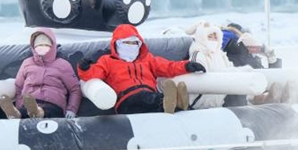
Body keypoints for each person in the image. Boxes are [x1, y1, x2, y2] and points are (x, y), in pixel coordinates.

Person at [77, 24, 206, 115]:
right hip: (126, 99)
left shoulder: (147, 59)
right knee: (149, 99)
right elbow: (92, 74)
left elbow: (167, 66)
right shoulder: (108, 61)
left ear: (140, 44)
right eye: (126, 43)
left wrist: (187, 66)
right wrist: (84, 68)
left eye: (134, 43)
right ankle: (172, 102)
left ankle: (176, 104)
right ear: (116, 44)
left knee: (153, 98)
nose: (131, 46)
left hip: (149, 93)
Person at [0, 28, 82, 120]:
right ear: (34, 47)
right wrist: (19, 105)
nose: (42, 47)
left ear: (52, 46)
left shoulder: (63, 65)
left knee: (47, 110)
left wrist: (71, 109)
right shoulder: (27, 63)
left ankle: (37, 113)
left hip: (53, 103)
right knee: (25, 110)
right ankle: (15, 113)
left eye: (46, 45)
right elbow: (19, 87)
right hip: (29, 100)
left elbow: (75, 89)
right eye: (39, 45)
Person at [186, 21, 233, 109]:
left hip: (218, 104)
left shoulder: (221, 55)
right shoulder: (197, 54)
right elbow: (195, 78)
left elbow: (231, 70)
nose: (213, 39)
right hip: (199, 106)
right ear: (201, 38)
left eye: (215, 37)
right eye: (209, 36)